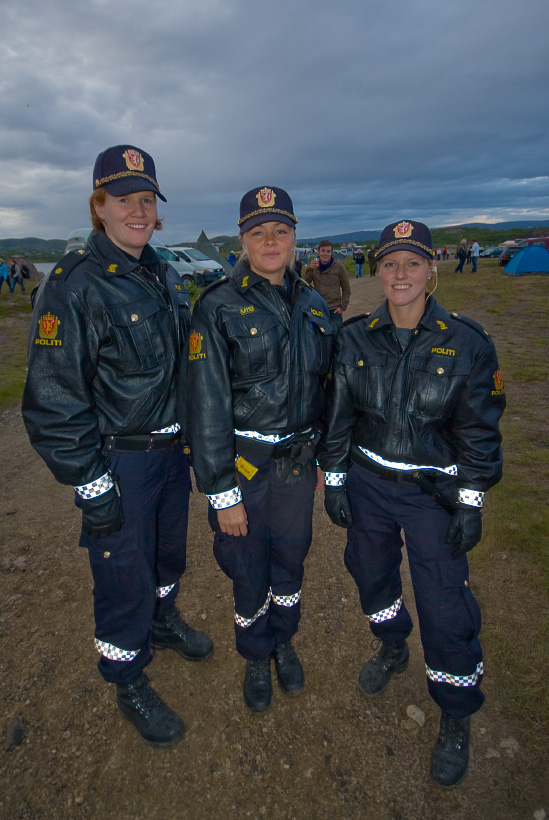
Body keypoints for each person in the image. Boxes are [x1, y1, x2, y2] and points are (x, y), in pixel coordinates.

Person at [22, 144, 213, 749]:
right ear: (98, 206)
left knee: (166, 557)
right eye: (124, 199)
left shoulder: (164, 274)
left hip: (170, 454)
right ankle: (127, 677)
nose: (138, 210)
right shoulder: (74, 284)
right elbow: (53, 400)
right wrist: (93, 484)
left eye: (147, 199)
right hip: (120, 461)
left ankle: (161, 621)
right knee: (121, 574)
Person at [318, 219, 505, 788]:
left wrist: (470, 502)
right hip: (369, 486)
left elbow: (479, 432)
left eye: (413, 263)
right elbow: (338, 415)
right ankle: (392, 644)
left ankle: (455, 710)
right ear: (378, 271)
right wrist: (335, 480)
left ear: (432, 269)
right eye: (390, 263)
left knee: (445, 604)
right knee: (370, 574)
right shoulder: (355, 338)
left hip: (432, 494)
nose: (401, 274)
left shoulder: (468, 342)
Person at [182, 186, 334, 712]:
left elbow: (324, 390)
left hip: (297, 463)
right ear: (242, 240)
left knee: (290, 556)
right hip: (244, 464)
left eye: (280, 231)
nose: (270, 241)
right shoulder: (217, 306)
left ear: (295, 238)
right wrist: (222, 492)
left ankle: (283, 641)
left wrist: (322, 453)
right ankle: (254, 653)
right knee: (246, 563)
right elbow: (205, 406)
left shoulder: (314, 303)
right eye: (258, 232)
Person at [304, 239, 350, 331]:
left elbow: (346, 289)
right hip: (318, 309)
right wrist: (310, 269)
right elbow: (304, 284)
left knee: (336, 337)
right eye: (323, 251)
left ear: (331, 253)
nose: (325, 254)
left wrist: (342, 307)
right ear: (318, 252)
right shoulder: (314, 267)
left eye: (328, 251)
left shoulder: (339, 268)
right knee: (319, 336)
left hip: (334, 310)